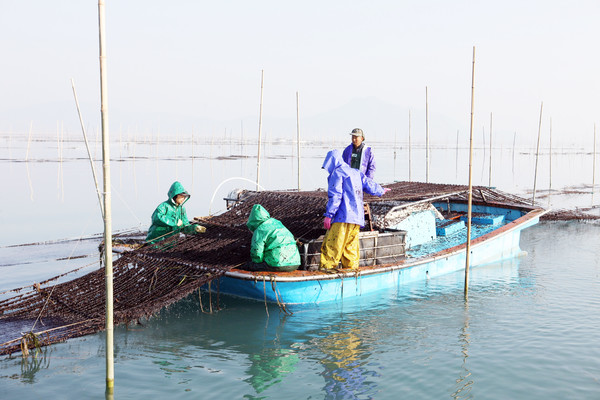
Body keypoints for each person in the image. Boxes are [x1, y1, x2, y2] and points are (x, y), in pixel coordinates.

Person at [320, 149, 390, 271]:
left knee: (332, 246)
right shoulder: (355, 172)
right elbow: (368, 183)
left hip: (342, 217)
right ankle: (352, 273)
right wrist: (380, 190)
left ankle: (326, 272)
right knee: (350, 248)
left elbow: (336, 195)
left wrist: (329, 215)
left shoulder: (337, 173)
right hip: (357, 218)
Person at [245, 204, 301, 272]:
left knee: (249, 266)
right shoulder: (277, 223)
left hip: (276, 264)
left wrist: (256, 262)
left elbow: (257, 250)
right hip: (295, 263)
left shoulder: (260, 229)